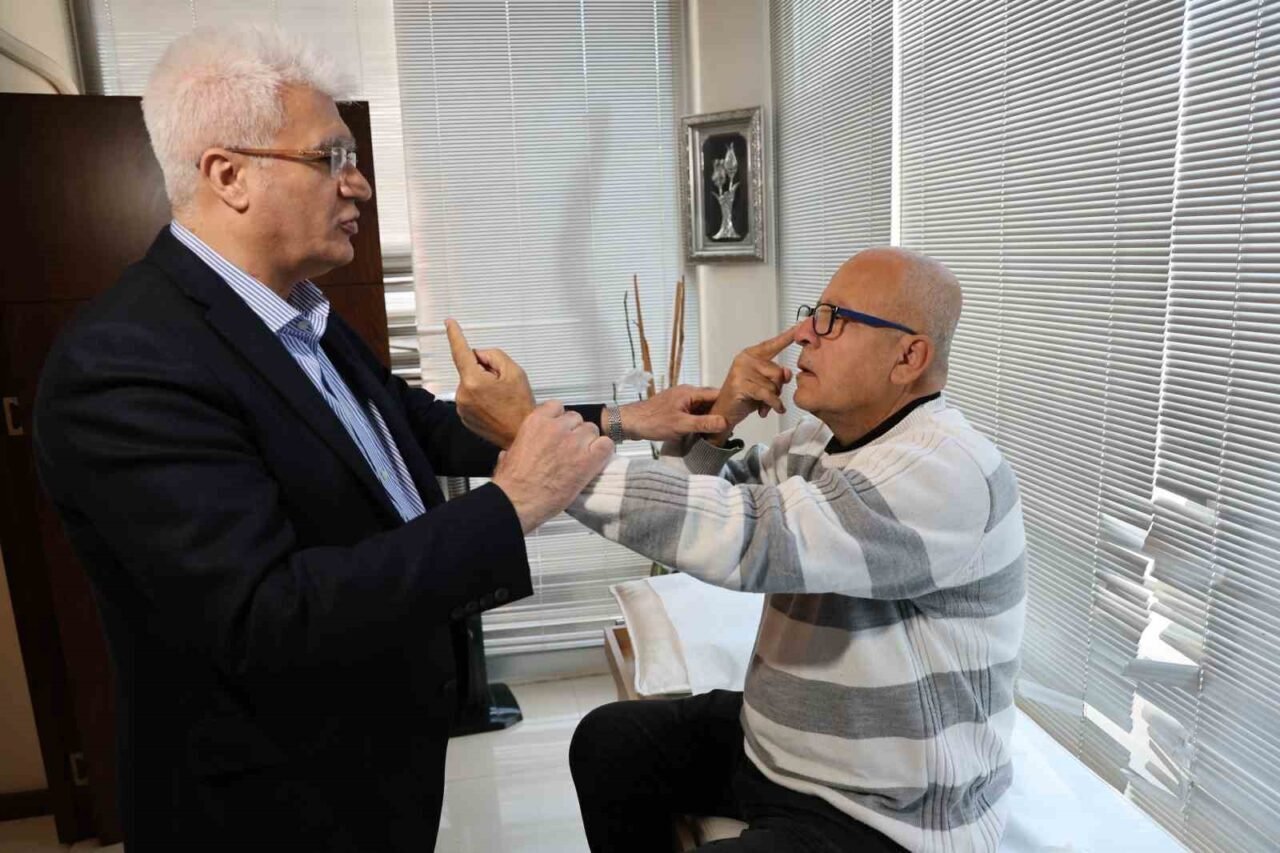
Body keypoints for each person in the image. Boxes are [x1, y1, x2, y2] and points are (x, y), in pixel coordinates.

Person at [32, 26, 722, 851]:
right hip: (267, 806)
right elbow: (266, 615)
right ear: (228, 175)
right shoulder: (125, 362)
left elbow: (413, 425)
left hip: (374, 764)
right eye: (330, 157)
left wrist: (622, 419)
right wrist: (515, 502)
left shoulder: (301, 316)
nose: (357, 183)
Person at [564, 248, 1027, 853]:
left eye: (835, 319)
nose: (804, 332)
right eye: (815, 313)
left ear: (909, 357)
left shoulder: (945, 471)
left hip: (882, 809)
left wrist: (555, 470)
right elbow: (695, 503)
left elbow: (752, 537)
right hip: (779, 752)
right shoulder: (817, 442)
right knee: (609, 741)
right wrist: (721, 418)